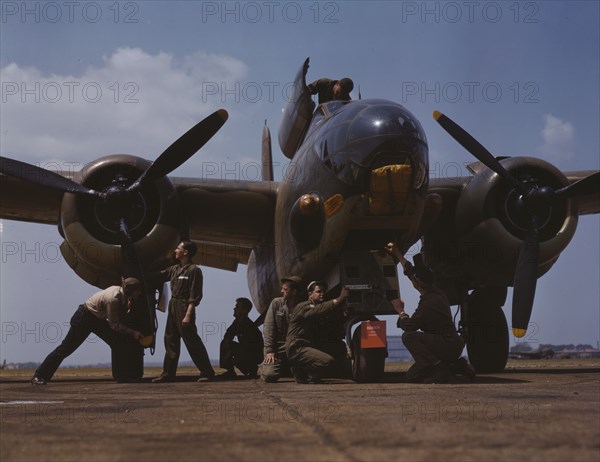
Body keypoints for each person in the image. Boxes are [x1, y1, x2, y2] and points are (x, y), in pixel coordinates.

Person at [386, 243, 475, 384]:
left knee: (408, 337)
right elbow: (412, 273)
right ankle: (456, 366)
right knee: (412, 376)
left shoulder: (428, 303)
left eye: (414, 281)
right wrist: (397, 253)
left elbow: (410, 326)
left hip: (445, 345)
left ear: (417, 284)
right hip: (450, 344)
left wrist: (400, 311)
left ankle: (439, 368)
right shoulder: (437, 291)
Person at [31, 278, 145, 385]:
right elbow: (114, 325)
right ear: (130, 290)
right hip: (84, 318)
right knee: (65, 349)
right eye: (137, 291)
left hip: (96, 319)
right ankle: (39, 375)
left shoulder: (122, 294)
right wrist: (133, 332)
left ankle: (122, 376)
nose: (139, 293)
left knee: (117, 341)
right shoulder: (113, 299)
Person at [152, 240, 215, 383]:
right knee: (170, 340)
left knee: (192, 341)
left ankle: (207, 372)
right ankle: (168, 373)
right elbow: (158, 275)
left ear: (185, 252)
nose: (175, 250)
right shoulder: (174, 269)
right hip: (173, 305)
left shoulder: (194, 270)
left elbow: (194, 296)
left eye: (178, 248)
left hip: (184, 306)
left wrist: (188, 315)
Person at [286, 281, 349, 383]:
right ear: (310, 294)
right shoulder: (303, 306)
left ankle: (302, 369)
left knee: (339, 347)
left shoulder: (317, 308)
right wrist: (340, 298)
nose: (322, 293)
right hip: (297, 347)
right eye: (318, 291)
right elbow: (319, 309)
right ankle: (304, 371)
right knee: (327, 361)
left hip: (308, 345)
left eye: (323, 291)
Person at [261, 276, 302, 382]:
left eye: (285, 289)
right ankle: (264, 368)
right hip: (278, 347)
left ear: (294, 292)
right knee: (270, 375)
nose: (281, 291)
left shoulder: (303, 306)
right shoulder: (276, 303)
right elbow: (269, 327)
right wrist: (269, 350)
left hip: (295, 347)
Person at [219, 298, 264, 379]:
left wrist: (230, 354)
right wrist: (227, 342)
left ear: (244, 310)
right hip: (246, 351)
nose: (234, 308)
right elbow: (228, 334)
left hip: (254, 355)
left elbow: (252, 348)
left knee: (234, 352)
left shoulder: (249, 326)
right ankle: (230, 371)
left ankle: (252, 369)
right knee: (224, 342)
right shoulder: (237, 322)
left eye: (237, 307)